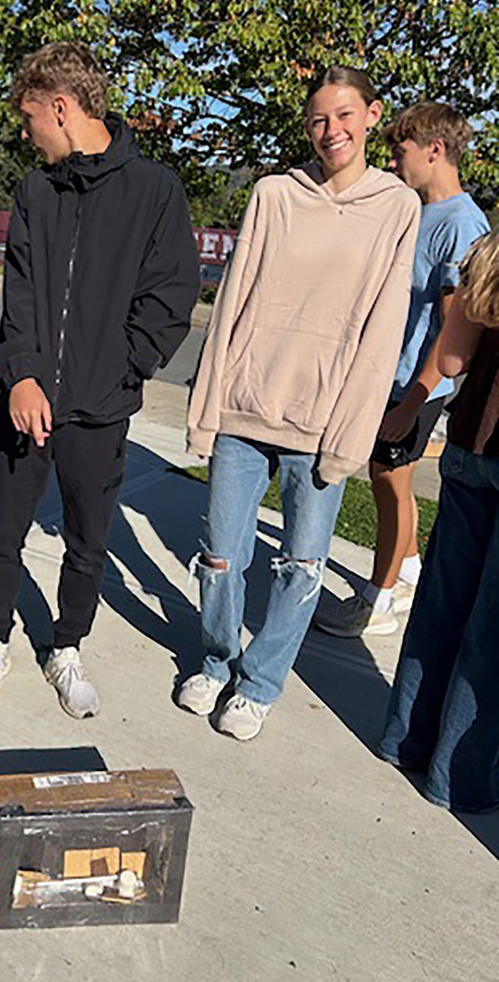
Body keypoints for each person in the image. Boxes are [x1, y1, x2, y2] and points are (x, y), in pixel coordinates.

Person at [0, 42, 200, 718]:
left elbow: (170, 298)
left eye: (29, 116)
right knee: (2, 530)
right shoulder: (36, 191)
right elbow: (22, 295)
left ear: (60, 107)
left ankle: (65, 646)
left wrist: (118, 375)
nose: (25, 132)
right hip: (26, 403)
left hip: (99, 410)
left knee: (88, 541)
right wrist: (24, 377)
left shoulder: (155, 191)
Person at [181, 67, 420, 741]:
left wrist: (350, 437)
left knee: (300, 568)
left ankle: (260, 683)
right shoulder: (274, 195)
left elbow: (382, 331)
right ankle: (217, 660)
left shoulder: (396, 207)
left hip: (321, 427)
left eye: (343, 115)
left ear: (372, 115)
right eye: (317, 119)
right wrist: (207, 410)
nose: (330, 131)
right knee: (221, 555)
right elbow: (231, 304)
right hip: (244, 411)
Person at [315, 103, 490, 638]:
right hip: (390, 377)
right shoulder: (420, 211)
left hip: (416, 383)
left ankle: (378, 600)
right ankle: (406, 570)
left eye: (401, 152)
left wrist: (416, 399)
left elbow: (453, 326)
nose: (394, 163)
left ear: (434, 150)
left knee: (391, 479)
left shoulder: (461, 224)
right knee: (387, 477)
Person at [379, 229, 499, 813]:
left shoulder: (489, 252)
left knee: (443, 606)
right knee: (494, 629)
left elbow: (452, 360)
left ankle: (406, 739)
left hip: (474, 445)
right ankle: (459, 777)